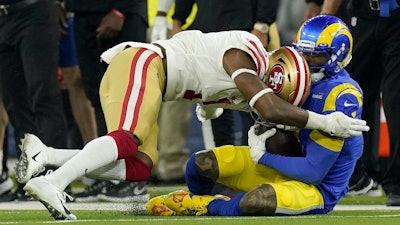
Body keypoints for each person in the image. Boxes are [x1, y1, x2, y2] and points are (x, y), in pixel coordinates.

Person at [18, 30, 368, 220]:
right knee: (127, 138)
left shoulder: (256, 83)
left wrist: (213, 104)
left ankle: (46, 156)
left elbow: (256, 102)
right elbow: (269, 107)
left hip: (147, 76)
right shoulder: (248, 51)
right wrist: (324, 121)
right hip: (144, 64)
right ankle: (55, 183)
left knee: (139, 166)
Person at [147, 15, 366, 216]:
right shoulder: (291, 72)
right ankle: (200, 198)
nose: (305, 60)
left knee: (256, 200)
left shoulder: (341, 95)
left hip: (315, 188)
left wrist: (262, 156)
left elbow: (314, 172)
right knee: (201, 163)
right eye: (302, 51)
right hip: (281, 165)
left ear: (337, 56)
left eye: (315, 55)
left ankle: (202, 206)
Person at [62, 0, 150, 202]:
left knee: (128, 95)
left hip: (123, 14)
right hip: (84, 14)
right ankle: (112, 176)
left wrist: (122, 10)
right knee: (98, 96)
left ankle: (135, 179)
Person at [317, 0, 400, 206]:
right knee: (340, 93)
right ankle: (351, 176)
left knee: (395, 100)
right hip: (361, 14)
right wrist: (326, 17)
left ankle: (397, 183)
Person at [0, 0, 69, 201]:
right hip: (3, 18)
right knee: (15, 103)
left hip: (35, 10)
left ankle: (58, 177)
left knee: (44, 96)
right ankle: (29, 178)